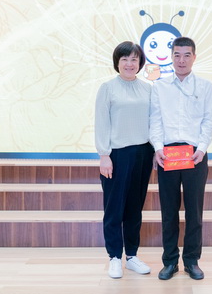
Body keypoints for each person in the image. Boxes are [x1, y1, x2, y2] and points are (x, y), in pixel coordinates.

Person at [149, 36, 212, 281]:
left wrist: (202, 148)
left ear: (194, 57)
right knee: (169, 212)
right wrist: (157, 147)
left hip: (195, 155)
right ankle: (169, 262)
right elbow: (155, 120)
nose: (181, 60)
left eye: (187, 55)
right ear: (171, 57)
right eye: (177, 55)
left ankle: (191, 261)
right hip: (167, 155)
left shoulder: (205, 86)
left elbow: (209, 120)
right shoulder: (160, 87)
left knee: (194, 212)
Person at [94, 41, 154, 279]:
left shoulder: (148, 89)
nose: (129, 64)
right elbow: (101, 122)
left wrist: (155, 150)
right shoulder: (108, 88)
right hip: (117, 155)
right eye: (125, 59)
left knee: (134, 208)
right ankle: (114, 258)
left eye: (134, 59)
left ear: (140, 63)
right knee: (114, 208)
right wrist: (104, 155)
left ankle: (131, 256)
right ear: (117, 62)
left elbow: (153, 122)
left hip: (143, 153)